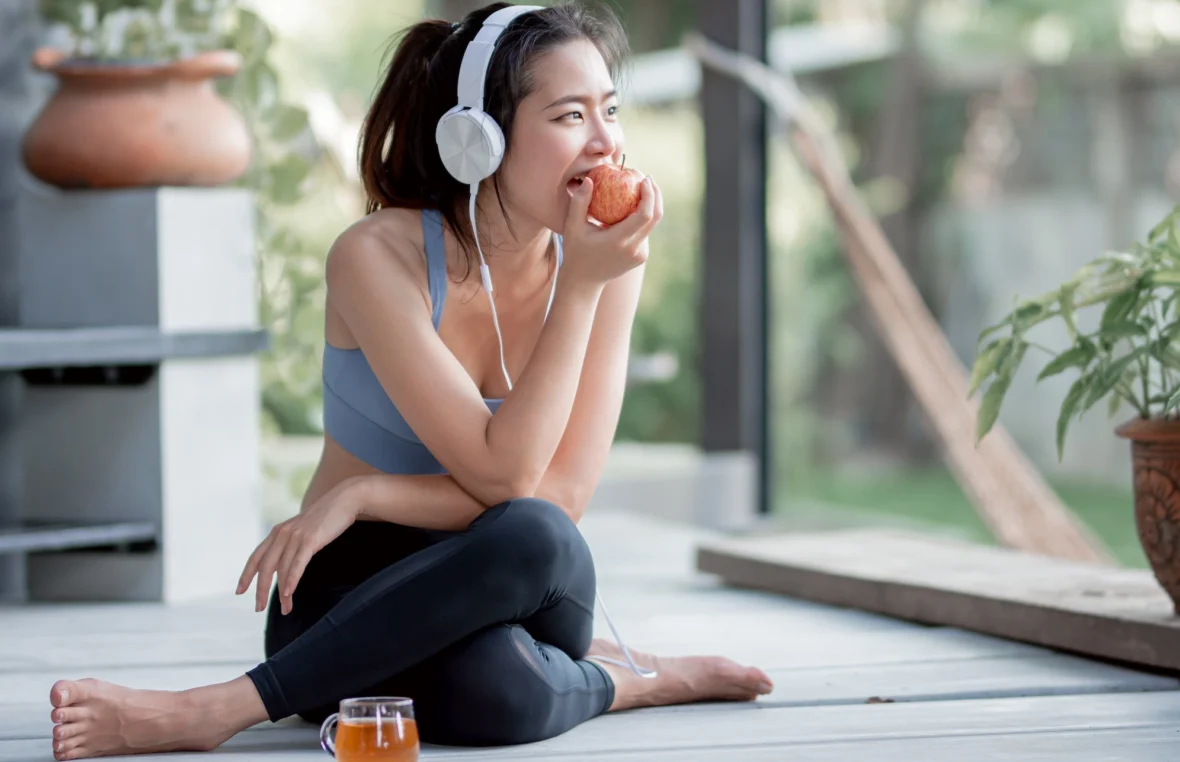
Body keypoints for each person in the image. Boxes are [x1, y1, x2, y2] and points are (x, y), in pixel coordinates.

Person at [45, 2, 772, 758]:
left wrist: (364, 493)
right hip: (341, 597)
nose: (605, 142)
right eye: (569, 116)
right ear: (479, 136)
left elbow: (549, 495)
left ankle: (222, 706)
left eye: (609, 110)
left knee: (534, 533)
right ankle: (625, 680)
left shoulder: (600, 267)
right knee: (493, 694)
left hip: (515, 581)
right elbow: (504, 472)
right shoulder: (374, 258)